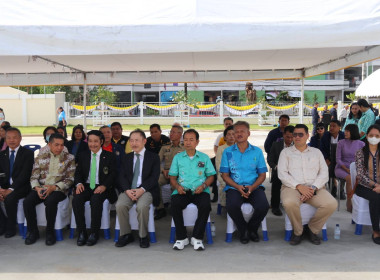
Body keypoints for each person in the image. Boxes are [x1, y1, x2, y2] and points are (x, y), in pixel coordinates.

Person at [278, 124, 337, 246]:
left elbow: (324, 173)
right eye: (295, 134)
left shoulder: (316, 152)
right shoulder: (286, 153)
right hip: (292, 187)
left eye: (301, 134)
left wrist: (312, 188)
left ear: (307, 136)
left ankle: (312, 229)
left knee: (331, 204)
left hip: (315, 187)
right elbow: (282, 174)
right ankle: (298, 231)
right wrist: (299, 187)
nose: (297, 137)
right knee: (289, 203)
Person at [221, 121, 269, 244]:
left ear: (248, 133)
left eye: (242, 131)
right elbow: (225, 175)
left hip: (254, 186)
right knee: (231, 205)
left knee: (263, 205)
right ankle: (243, 230)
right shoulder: (228, 152)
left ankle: (252, 229)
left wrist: (252, 187)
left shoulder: (257, 151)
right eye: (236, 132)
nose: (239, 134)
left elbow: (262, 175)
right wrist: (237, 187)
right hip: (234, 187)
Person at [23, 133, 75, 245]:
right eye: (56, 145)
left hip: (59, 189)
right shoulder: (40, 157)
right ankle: (33, 232)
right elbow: (34, 176)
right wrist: (37, 188)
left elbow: (70, 179)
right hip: (41, 187)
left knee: (50, 201)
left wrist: (54, 187)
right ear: (50, 144)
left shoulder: (69, 158)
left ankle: (50, 232)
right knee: (27, 202)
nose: (59, 148)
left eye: (61, 145)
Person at [169, 129, 216, 251]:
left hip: (200, 190)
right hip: (182, 190)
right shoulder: (178, 158)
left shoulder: (204, 158)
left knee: (205, 205)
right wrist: (177, 187)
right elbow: (172, 177)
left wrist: (204, 186)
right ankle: (181, 237)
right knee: (174, 204)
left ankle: (197, 237)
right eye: (185, 140)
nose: (188, 142)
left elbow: (211, 176)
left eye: (191, 140)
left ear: (197, 142)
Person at [115, 129, 160, 249]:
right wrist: (126, 190)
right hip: (129, 190)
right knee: (120, 205)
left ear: (144, 141)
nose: (133, 143)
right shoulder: (126, 157)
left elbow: (154, 178)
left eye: (137, 140)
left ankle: (143, 236)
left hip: (146, 190)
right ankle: (126, 234)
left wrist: (142, 189)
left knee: (142, 206)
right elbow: (122, 176)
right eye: (131, 141)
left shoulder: (153, 157)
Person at [72, 130, 117, 246]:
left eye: (96, 141)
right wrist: (78, 184)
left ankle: (94, 232)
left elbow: (113, 174)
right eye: (90, 141)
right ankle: (81, 232)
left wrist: (104, 186)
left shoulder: (109, 156)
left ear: (101, 141)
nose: (93, 144)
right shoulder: (83, 155)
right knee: (77, 198)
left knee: (96, 200)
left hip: (102, 187)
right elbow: (78, 173)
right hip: (86, 185)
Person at [0, 128, 34, 237]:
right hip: (5, 186)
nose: (11, 140)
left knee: (10, 198)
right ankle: (2, 225)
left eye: (14, 137)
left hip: (22, 187)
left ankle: (11, 228)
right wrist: (1, 189)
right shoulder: (2, 154)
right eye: (8, 138)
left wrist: (10, 189)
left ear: (20, 138)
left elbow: (25, 175)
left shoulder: (27, 153)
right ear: (5, 139)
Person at [355, 124, 380, 244]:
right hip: (364, 187)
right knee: (376, 197)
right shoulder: (360, 153)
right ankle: (376, 231)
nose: (374, 138)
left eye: (377, 135)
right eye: (371, 135)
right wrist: (375, 186)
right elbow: (360, 175)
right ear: (367, 136)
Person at [155, 124, 185, 220]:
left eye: (173, 132)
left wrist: (175, 173)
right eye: (170, 132)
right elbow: (156, 162)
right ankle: (160, 209)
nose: (170, 134)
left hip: (179, 174)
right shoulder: (165, 147)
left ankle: (174, 206)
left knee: (176, 185)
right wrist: (163, 170)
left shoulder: (185, 148)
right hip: (165, 173)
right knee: (155, 183)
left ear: (180, 134)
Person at [335, 124, 364, 212]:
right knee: (349, 178)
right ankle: (349, 202)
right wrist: (346, 169)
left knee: (359, 178)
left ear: (353, 132)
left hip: (355, 167)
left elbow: (362, 159)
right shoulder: (341, 142)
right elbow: (338, 159)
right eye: (345, 130)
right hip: (341, 168)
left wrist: (355, 169)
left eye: (347, 131)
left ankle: (358, 202)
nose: (345, 133)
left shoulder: (361, 144)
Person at [267, 125, 294, 216]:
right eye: (287, 136)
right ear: (283, 135)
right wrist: (275, 166)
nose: (290, 139)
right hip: (279, 171)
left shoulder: (297, 146)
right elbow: (270, 159)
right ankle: (275, 206)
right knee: (276, 180)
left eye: (292, 137)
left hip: (294, 172)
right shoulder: (276, 145)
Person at [320, 120, 345, 197]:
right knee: (327, 170)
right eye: (330, 126)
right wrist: (326, 159)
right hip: (329, 159)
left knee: (344, 171)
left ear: (339, 127)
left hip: (341, 160)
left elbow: (346, 150)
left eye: (334, 126)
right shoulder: (326, 135)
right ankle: (332, 189)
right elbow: (322, 148)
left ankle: (341, 191)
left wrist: (341, 161)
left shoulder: (343, 136)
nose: (331, 128)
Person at [215, 126, 235, 210]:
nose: (231, 136)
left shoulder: (240, 148)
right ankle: (227, 205)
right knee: (224, 184)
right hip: (224, 175)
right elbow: (219, 165)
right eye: (229, 134)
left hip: (237, 176)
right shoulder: (221, 149)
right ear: (225, 137)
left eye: (233, 134)